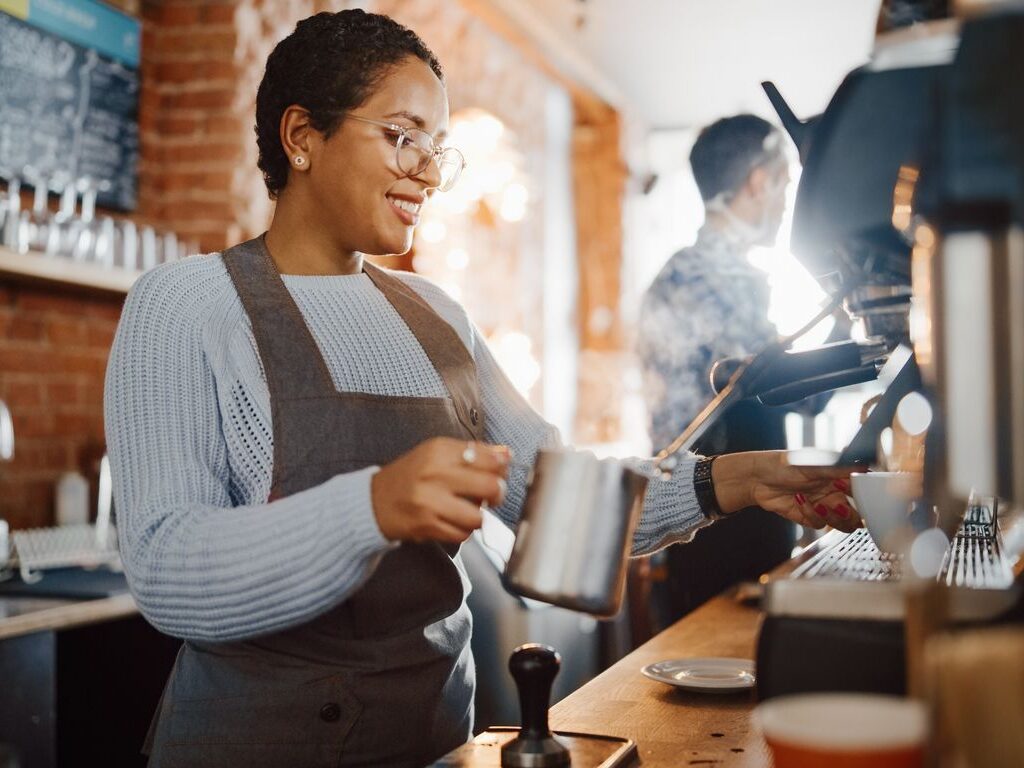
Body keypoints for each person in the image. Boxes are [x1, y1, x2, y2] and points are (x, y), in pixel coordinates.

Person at [104, 12, 859, 767]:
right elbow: (167, 569)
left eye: (436, 148)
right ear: (302, 136)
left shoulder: (437, 316)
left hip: (434, 740)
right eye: (402, 137)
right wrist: (374, 506)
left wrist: (737, 478)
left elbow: (555, 498)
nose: (429, 174)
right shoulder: (186, 304)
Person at [637, 115, 849, 626]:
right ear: (759, 182)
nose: (786, 203)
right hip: (723, 521)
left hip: (698, 511)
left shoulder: (682, 271)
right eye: (785, 184)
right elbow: (797, 394)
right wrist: (846, 313)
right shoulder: (723, 278)